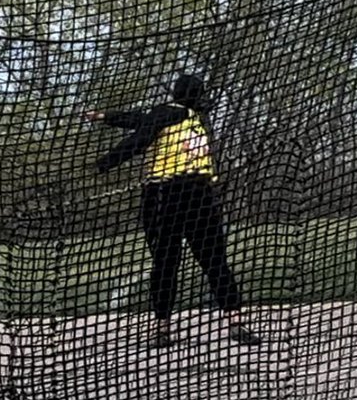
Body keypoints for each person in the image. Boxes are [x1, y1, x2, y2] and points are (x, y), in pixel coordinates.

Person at [86, 74, 260, 348]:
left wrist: (103, 164)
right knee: (215, 262)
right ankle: (235, 321)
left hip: (165, 196)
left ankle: (162, 328)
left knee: (165, 264)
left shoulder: (167, 114)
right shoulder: (195, 119)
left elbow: (139, 139)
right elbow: (141, 119)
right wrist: (106, 116)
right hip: (202, 195)